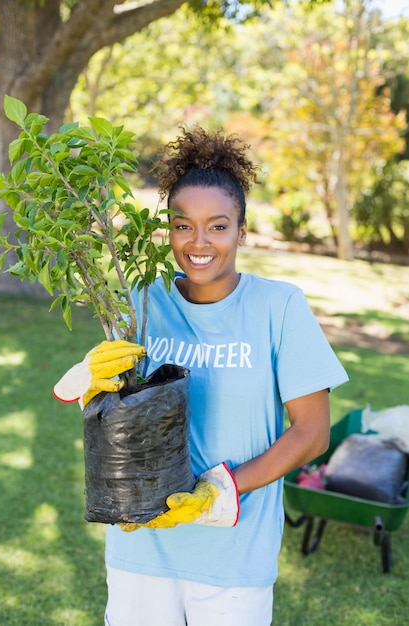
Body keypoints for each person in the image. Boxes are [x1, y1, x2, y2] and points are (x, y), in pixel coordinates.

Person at [54, 127, 348, 626]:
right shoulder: (144, 298)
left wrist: (218, 491)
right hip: (141, 547)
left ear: (242, 231)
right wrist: (88, 376)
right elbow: (105, 406)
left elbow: (312, 433)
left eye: (217, 226)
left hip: (233, 555)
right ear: (166, 230)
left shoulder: (279, 308)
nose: (199, 242)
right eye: (182, 225)